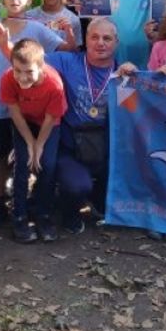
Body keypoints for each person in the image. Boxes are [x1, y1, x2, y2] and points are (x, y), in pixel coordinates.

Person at [0, 0, 64, 232]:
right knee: (0, 155)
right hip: (1, 102)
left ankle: (38, 208)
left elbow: (64, 48)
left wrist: (73, 36)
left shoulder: (38, 30)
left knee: (36, 161)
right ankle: (1, 203)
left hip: (37, 110)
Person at [43, 17, 122, 228]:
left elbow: (131, 113)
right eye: (94, 37)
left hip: (105, 150)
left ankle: (98, 200)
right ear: (85, 39)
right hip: (71, 148)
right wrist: (4, 44)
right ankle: (69, 211)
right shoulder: (67, 62)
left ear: (116, 42)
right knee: (77, 186)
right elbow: (28, 61)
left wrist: (131, 80)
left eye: (107, 38)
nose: (100, 43)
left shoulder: (124, 74)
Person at [0, 39, 67, 242]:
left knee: (46, 164)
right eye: (17, 70)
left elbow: (51, 118)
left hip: (48, 123)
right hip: (24, 122)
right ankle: (19, 215)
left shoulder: (54, 84)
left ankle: (43, 214)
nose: (22, 77)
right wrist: (29, 143)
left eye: (29, 71)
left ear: (41, 66)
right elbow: (15, 113)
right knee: (24, 163)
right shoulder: (8, 79)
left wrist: (39, 145)